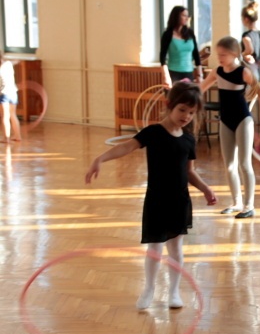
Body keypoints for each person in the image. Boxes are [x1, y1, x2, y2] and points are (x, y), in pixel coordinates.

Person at [85, 81, 217, 309]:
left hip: (179, 201)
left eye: (191, 112)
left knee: (176, 248)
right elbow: (126, 147)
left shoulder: (188, 139)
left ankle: (174, 292)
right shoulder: (153, 133)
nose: (186, 116)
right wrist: (100, 159)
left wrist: (205, 188)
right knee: (155, 248)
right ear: (169, 105)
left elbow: (189, 172)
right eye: (182, 110)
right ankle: (149, 289)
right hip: (157, 200)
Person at [200, 36, 260, 219]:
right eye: (218, 54)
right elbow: (200, 88)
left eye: (223, 55)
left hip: (243, 120)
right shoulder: (217, 72)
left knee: (244, 164)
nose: (220, 58)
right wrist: (182, 95)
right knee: (229, 165)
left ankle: (249, 205)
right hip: (225, 121)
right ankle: (236, 202)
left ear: (234, 54)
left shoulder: (243, 72)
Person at [160, 6, 203, 87]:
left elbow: (196, 55)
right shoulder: (167, 34)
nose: (187, 18)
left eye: (187, 16)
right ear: (176, 16)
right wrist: (166, 76)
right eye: (184, 15)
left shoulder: (190, 33)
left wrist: (199, 75)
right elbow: (162, 57)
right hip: (173, 72)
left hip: (188, 73)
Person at [0, 51, 21, 143]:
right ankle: (17, 136)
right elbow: (14, 61)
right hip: (13, 93)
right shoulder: (8, 64)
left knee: (5, 116)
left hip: (3, 94)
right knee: (13, 115)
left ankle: (6, 138)